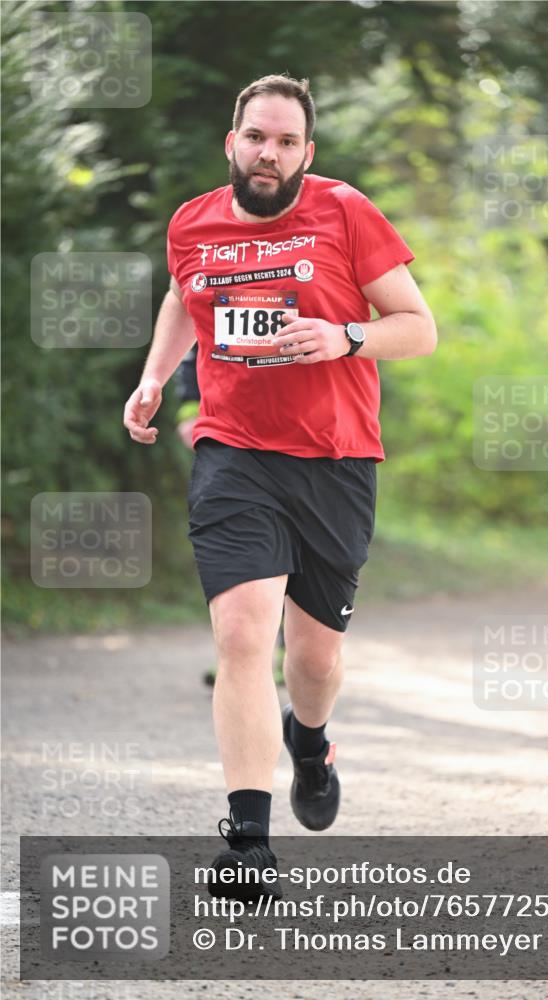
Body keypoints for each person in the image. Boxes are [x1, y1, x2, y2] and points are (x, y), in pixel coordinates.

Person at [123, 73, 436, 901]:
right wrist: (155, 377)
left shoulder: (343, 211)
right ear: (232, 143)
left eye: (287, 141)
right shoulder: (192, 223)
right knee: (239, 636)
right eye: (257, 137)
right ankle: (249, 841)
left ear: (307, 153)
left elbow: (418, 328)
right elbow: (184, 301)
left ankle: (311, 737)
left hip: (335, 460)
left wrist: (341, 336)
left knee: (314, 657)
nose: (270, 153)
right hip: (235, 453)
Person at [173, 344, 286, 687]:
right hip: (231, 446)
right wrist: (189, 412)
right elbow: (199, 342)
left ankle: (283, 649)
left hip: (306, 445)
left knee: (289, 557)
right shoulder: (218, 291)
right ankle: (240, 650)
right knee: (243, 560)